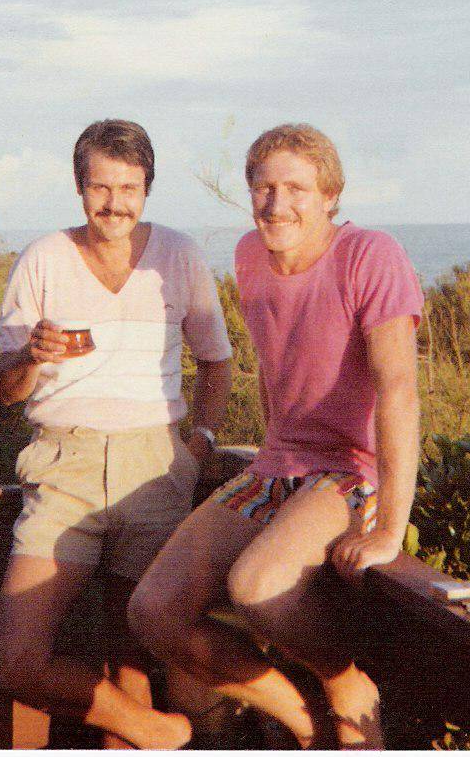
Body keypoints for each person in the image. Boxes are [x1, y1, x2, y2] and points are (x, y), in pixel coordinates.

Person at [128, 123, 423, 749]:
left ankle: (344, 681)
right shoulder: (249, 256)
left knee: (257, 588)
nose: (276, 204)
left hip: (351, 471)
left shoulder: (370, 254)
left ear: (330, 196)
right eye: (264, 188)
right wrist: (271, 450)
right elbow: (272, 366)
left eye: (296, 189)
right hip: (276, 466)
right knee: (153, 612)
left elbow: (398, 389)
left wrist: (389, 528)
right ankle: (304, 720)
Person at [0, 119, 233, 750]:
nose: (115, 202)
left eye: (129, 187)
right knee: (13, 660)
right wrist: (30, 355)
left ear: (147, 188)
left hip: (155, 466)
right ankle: (164, 733)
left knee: (134, 656)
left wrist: (200, 440)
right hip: (62, 466)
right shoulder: (43, 258)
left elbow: (216, 362)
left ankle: (144, 733)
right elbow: (4, 388)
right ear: (79, 187)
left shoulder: (179, 255)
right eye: (101, 186)